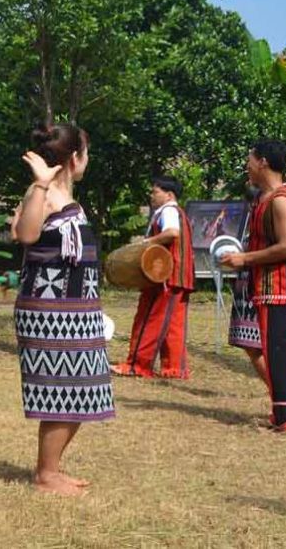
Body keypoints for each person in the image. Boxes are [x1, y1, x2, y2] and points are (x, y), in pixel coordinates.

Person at [11, 123, 114, 497]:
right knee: (63, 389)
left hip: (73, 308)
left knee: (81, 391)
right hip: (50, 311)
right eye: (86, 152)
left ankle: (50, 469)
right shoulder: (45, 193)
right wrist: (39, 185)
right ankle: (46, 475)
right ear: (75, 158)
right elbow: (24, 235)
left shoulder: (64, 194)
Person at [218, 141, 286, 432]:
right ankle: (283, 416)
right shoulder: (266, 198)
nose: (247, 165)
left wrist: (244, 259)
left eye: (250, 159)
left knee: (284, 354)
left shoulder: (280, 201)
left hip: (282, 290)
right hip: (269, 289)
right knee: (276, 355)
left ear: (263, 162)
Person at [113, 175, 196, 379]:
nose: (152, 195)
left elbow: (172, 233)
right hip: (180, 275)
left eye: (155, 191)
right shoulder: (178, 211)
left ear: (169, 195)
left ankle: (137, 365)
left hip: (163, 275)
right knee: (173, 324)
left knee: (149, 319)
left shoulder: (167, 210)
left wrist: (147, 242)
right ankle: (175, 368)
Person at [227, 187, 267, 382]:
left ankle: (281, 397)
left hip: (259, 291)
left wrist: (244, 258)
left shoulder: (268, 221)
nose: (251, 206)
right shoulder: (251, 223)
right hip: (245, 291)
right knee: (252, 347)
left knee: (259, 347)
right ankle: (278, 395)